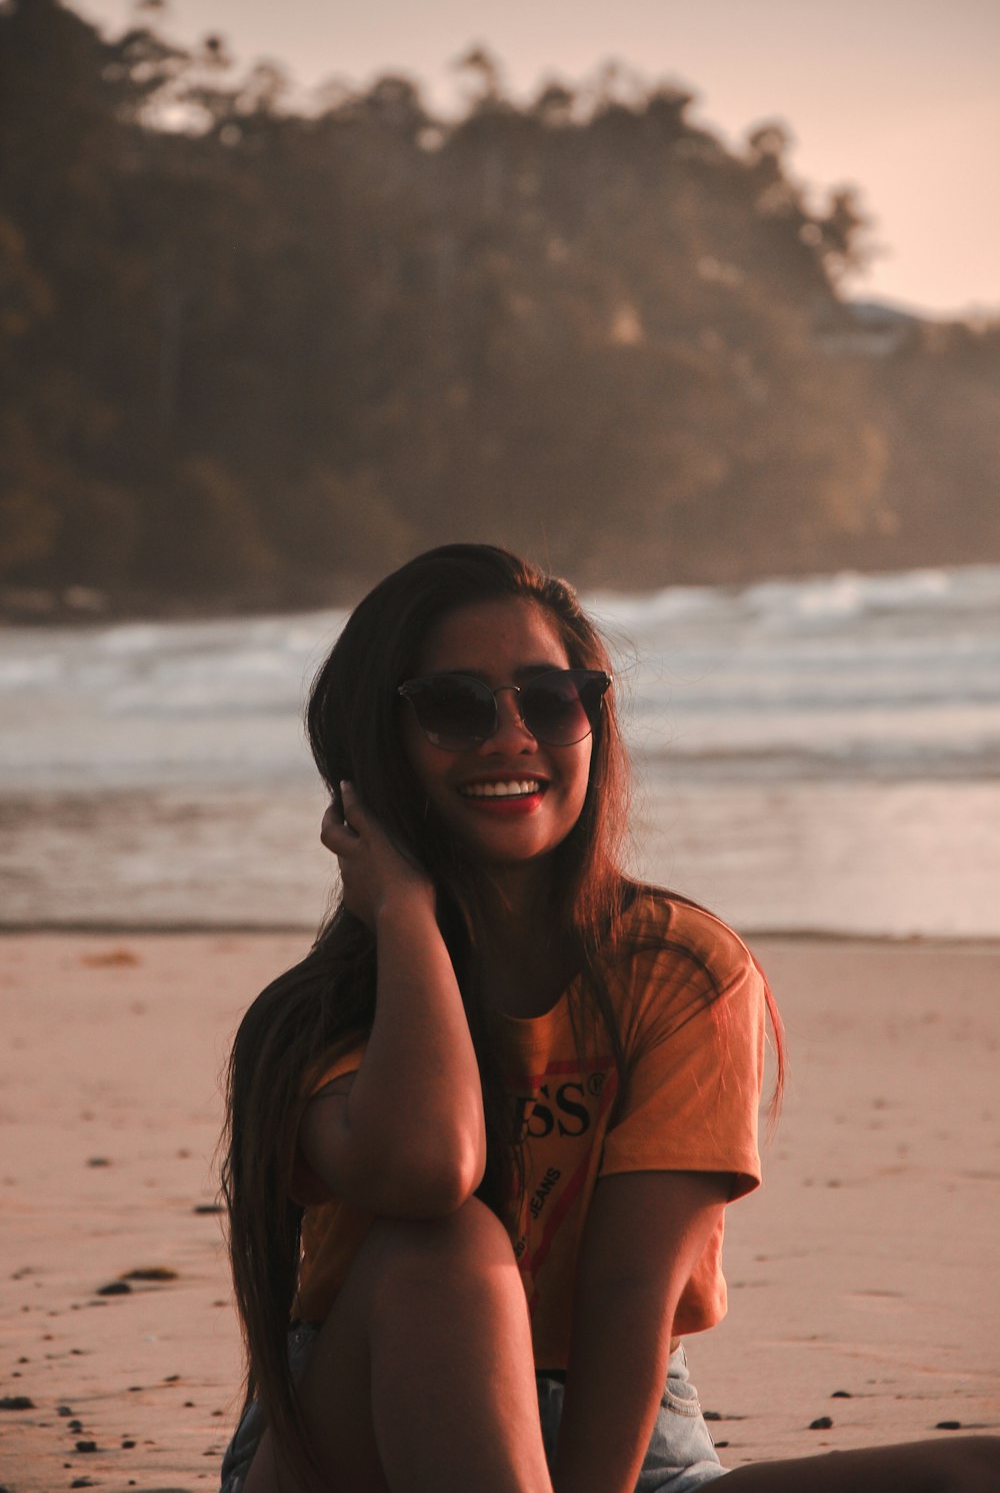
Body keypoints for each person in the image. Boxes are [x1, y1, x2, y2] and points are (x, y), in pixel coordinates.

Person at [220, 544, 998, 1493]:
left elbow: (635, 1298)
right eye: (455, 707)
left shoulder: (680, 973)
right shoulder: (319, 1019)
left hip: (623, 1441)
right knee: (446, 1247)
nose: (511, 738)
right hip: (360, 1440)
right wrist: (405, 918)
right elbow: (427, 1169)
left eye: (550, 699)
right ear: (376, 753)